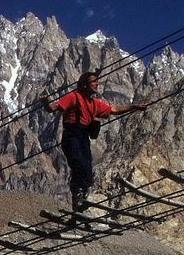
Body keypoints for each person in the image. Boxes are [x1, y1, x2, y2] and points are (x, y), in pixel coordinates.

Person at [40, 72, 147, 211]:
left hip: (83, 137)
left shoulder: (94, 103)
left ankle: (81, 198)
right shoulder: (73, 97)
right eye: (93, 82)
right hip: (72, 136)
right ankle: (77, 196)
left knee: (88, 170)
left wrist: (134, 107)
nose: (97, 84)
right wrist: (45, 102)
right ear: (85, 84)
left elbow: (114, 109)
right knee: (79, 163)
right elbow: (52, 108)